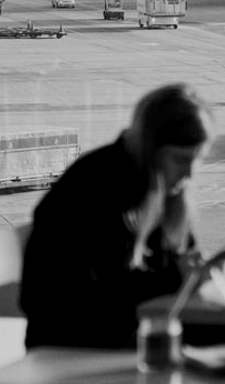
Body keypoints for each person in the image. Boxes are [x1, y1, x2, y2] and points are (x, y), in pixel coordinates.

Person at [20, 83, 213, 350]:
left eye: (198, 159)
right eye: (180, 160)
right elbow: (82, 299)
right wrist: (176, 276)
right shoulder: (94, 188)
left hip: (122, 336)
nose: (189, 175)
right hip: (72, 346)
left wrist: (191, 272)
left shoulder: (160, 191)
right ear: (151, 150)